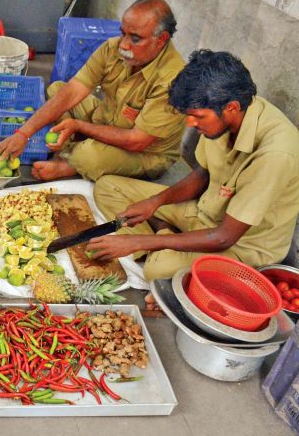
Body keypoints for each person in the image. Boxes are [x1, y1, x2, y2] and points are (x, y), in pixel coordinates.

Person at [87, 49, 299, 281]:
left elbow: (224, 237)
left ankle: (158, 248)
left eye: (198, 116)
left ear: (231, 108)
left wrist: (139, 240)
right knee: (108, 187)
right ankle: (165, 238)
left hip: (241, 245)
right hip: (204, 213)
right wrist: (155, 202)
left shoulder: (275, 153)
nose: (190, 123)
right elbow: (202, 174)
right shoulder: (224, 114)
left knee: (156, 270)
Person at [0, 0, 186, 182]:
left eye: (135, 38)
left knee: (88, 155)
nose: (124, 44)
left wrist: (78, 126)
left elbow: (137, 141)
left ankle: (70, 163)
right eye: (123, 33)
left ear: (161, 40)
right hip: (106, 120)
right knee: (59, 89)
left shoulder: (172, 79)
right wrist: (23, 133)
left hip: (143, 153)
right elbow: (74, 90)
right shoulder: (113, 48)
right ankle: (71, 147)